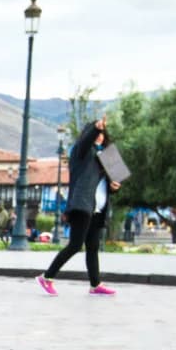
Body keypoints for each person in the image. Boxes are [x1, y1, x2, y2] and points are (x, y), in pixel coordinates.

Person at [37, 116, 120, 297]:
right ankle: (47, 277)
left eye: (103, 134)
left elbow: (107, 183)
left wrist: (114, 186)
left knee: (92, 246)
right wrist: (95, 129)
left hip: (98, 208)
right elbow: (85, 142)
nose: (100, 137)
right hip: (82, 204)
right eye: (98, 133)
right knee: (75, 245)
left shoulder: (105, 156)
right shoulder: (81, 152)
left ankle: (95, 284)